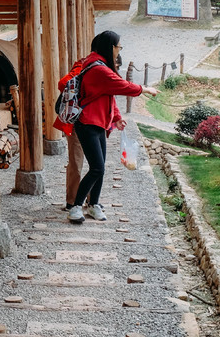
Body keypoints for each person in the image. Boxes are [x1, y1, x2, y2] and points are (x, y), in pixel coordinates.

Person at [60, 31, 158, 224]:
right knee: (97, 167)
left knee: (101, 168)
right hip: (87, 123)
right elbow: (122, 86)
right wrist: (145, 89)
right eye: (118, 47)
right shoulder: (99, 70)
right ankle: (76, 207)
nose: (119, 50)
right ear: (110, 46)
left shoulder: (98, 65)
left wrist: (117, 117)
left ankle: (94, 205)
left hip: (98, 123)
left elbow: (108, 95)